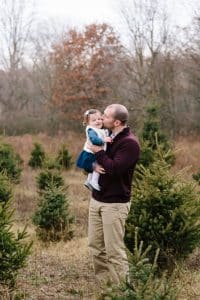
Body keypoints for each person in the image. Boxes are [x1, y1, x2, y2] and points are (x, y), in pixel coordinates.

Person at [87, 104, 140, 285]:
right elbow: (94, 163)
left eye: (106, 116)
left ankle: (122, 292)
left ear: (116, 122)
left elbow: (115, 169)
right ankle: (105, 288)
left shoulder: (130, 143)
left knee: (114, 251)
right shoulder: (105, 136)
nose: (101, 118)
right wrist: (92, 164)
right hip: (97, 200)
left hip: (115, 204)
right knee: (95, 247)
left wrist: (99, 152)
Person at [76, 109, 112, 191]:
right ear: (88, 123)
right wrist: (103, 140)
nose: (97, 121)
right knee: (98, 165)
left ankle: (88, 181)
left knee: (96, 165)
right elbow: (94, 140)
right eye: (94, 120)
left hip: (94, 152)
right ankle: (94, 181)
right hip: (90, 153)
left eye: (99, 119)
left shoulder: (100, 130)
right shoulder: (91, 130)